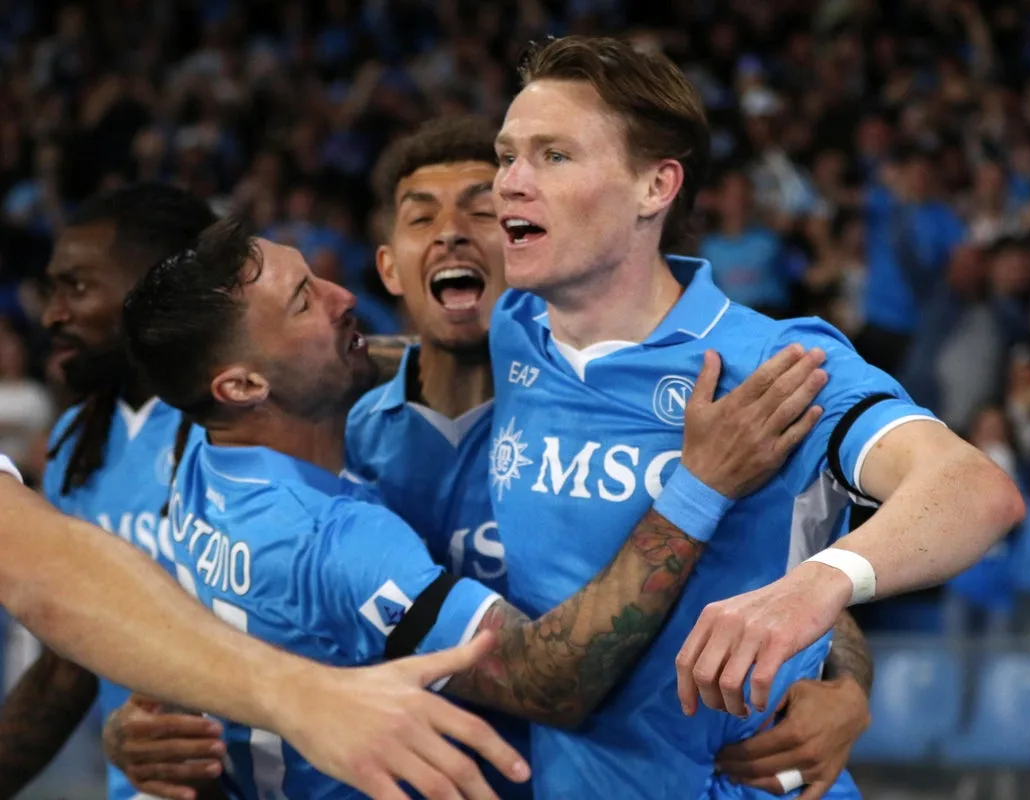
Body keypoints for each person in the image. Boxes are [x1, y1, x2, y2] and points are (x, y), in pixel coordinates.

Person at [107, 118, 873, 800]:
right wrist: (148, 722)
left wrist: (846, 688)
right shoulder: (343, 438)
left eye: (483, 210)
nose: (450, 234)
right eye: (421, 216)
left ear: (528, 245)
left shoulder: (661, 414)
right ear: (390, 268)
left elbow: (779, 572)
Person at [486, 36, 1023, 798]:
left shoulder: (772, 363)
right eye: (506, 156)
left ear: (655, 187)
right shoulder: (513, 331)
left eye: (553, 156)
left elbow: (974, 489)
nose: (510, 183)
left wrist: (820, 586)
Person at [0, 455, 529, 800]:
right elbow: (50, 579)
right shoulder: (325, 528)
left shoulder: (210, 461)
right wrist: (302, 695)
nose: (344, 311)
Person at [0, 183, 218, 800]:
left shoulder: (241, 423)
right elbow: (68, 665)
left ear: (157, 289)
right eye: (51, 290)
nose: (53, 315)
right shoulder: (77, 441)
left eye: (77, 287)